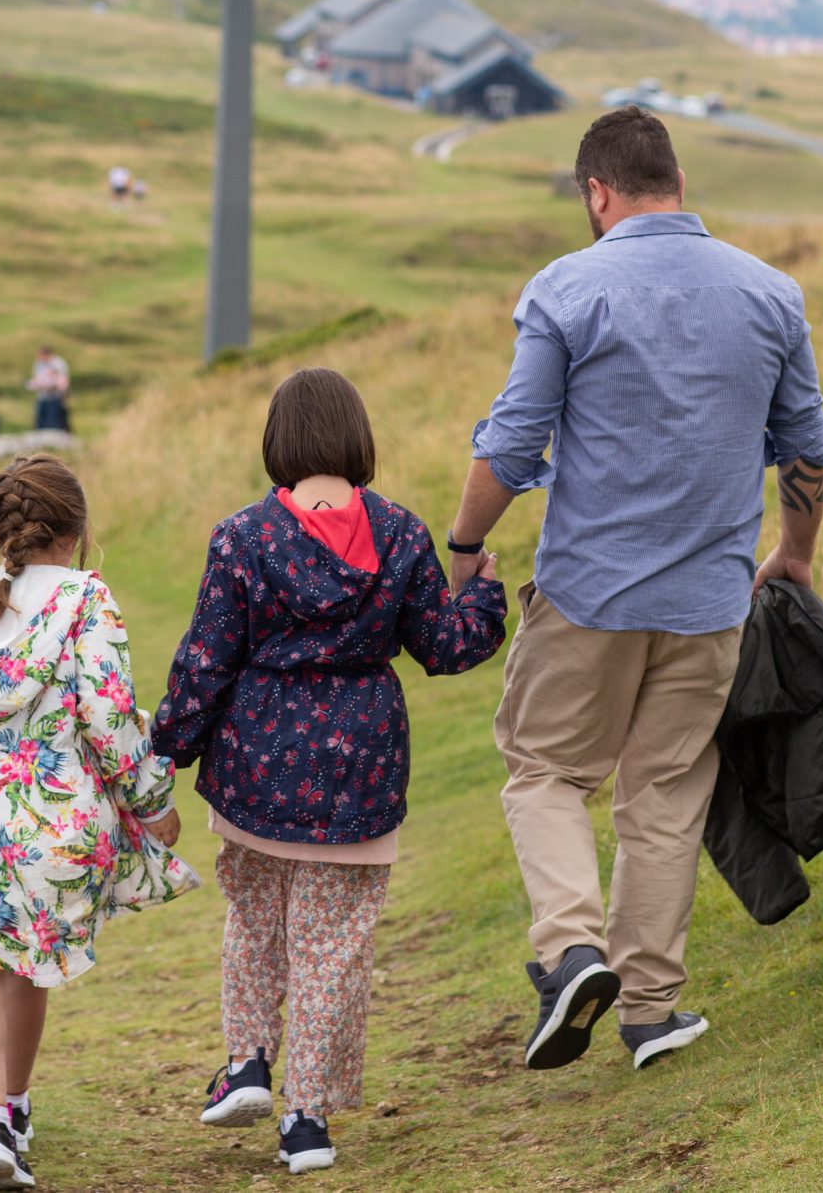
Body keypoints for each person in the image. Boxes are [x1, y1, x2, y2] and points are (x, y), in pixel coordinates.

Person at [445, 105, 823, 1075]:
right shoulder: (770, 294)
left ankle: (572, 950)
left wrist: (463, 547)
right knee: (663, 797)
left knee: (545, 771)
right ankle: (651, 1011)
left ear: (597, 191)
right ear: (673, 182)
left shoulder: (566, 289)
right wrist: (794, 551)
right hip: (709, 600)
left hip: (588, 593)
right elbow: (803, 445)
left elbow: (510, 444)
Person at [153, 368, 507, 1177]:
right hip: (360, 769)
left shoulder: (241, 536)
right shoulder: (402, 532)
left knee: (253, 919)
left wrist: (165, 753)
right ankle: (305, 1117)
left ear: (279, 440)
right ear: (357, 437)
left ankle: (247, 1059)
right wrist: (486, 596)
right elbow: (444, 646)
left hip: (256, 764)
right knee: (333, 944)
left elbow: (207, 660)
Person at [0, 455, 197, 1189]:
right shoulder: (84, 600)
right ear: (77, 530)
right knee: (28, 967)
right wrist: (153, 804)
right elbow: (111, 719)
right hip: (54, 823)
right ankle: (13, 1110)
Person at [28, 345, 71, 432]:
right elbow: (36, 378)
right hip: (42, 396)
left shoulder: (58, 363)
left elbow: (63, 381)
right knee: (41, 422)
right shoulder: (38, 364)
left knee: (55, 421)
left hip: (56, 396)